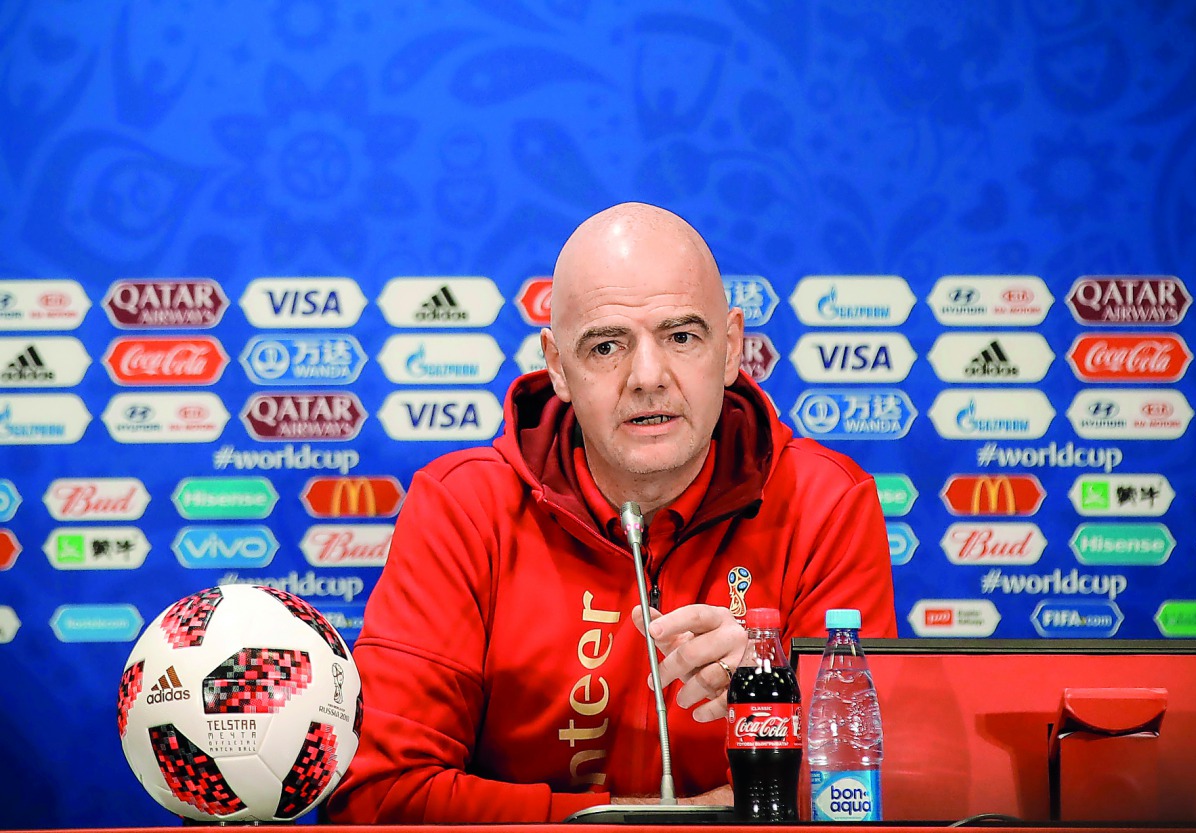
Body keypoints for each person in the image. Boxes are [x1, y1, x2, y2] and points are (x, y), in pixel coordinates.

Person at [325, 202, 897, 824]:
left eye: (682, 337)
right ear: (557, 365)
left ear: (731, 348)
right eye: (606, 346)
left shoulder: (826, 501)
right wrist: (673, 821)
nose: (648, 377)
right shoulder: (463, 506)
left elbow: (857, 792)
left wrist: (773, 714)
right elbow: (378, 799)